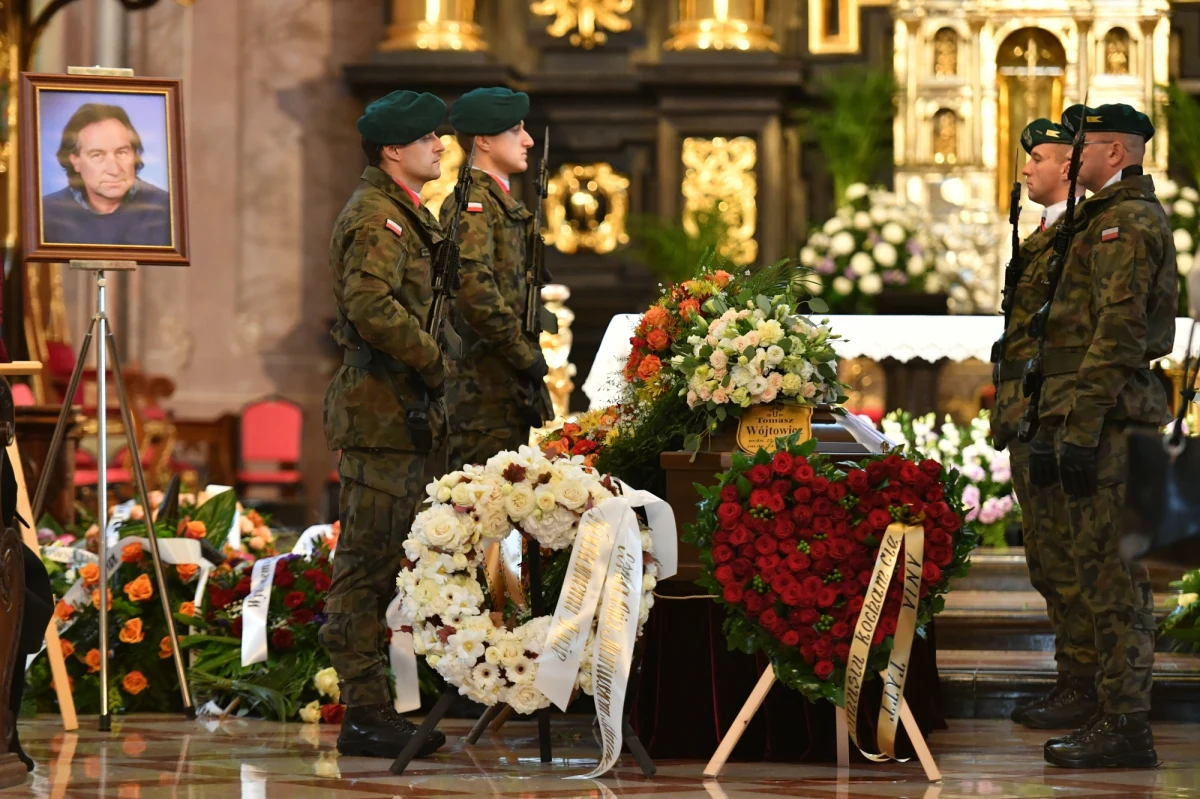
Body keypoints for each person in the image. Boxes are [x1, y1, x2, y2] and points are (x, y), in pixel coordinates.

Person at [1030, 103, 1175, 769]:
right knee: (1093, 568)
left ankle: (1125, 724)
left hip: (1111, 418)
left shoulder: (1125, 221)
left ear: (1115, 152)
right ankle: (1107, 709)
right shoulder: (1101, 218)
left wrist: (1083, 428)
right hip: (1093, 413)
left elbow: (1114, 334)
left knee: (1115, 576)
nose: (1074, 152)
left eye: (1085, 142)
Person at [320, 90, 450, 760]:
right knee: (365, 566)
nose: (441, 145)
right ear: (392, 150)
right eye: (427, 138)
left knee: (385, 560)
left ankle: (377, 707)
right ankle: (364, 711)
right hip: (379, 414)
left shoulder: (405, 213)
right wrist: (434, 360)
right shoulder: (378, 216)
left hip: (399, 414)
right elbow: (369, 305)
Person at [992, 119, 1097, 732]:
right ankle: (1071, 678)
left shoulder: (1082, 236)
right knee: (1047, 558)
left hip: (1059, 414)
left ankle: (1082, 683)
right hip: (1033, 414)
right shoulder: (1044, 235)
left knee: (1067, 558)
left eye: (1038, 158)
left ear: (1068, 167)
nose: (1026, 168)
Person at [440, 87, 548, 470]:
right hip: (479, 394)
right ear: (484, 140)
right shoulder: (472, 204)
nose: (529, 140)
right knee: (474, 517)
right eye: (516, 130)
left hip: (501, 388)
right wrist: (525, 356)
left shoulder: (497, 203)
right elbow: (473, 291)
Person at [41, 103, 171, 247]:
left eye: (122, 152)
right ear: (75, 161)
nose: (114, 170)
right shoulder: (45, 213)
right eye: (97, 155)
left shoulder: (166, 210)